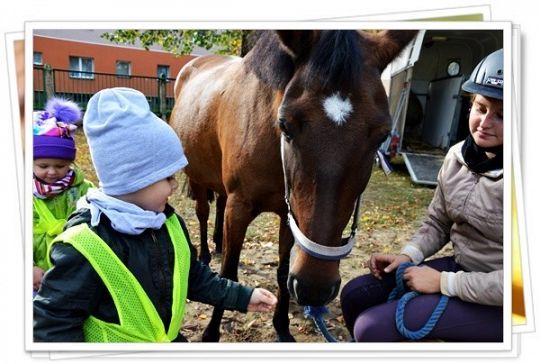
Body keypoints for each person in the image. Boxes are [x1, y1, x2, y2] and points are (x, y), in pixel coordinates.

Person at [33, 87, 278, 342]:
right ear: (134, 179)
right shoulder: (85, 246)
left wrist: (243, 297)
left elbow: (194, 277)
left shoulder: (168, 223)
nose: (174, 186)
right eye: (168, 177)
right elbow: (53, 324)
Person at [340, 48, 504, 342]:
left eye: (501, 115)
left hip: (509, 301)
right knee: (355, 295)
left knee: (371, 327)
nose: (485, 122)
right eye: (480, 108)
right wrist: (408, 256)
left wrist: (444, 283)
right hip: (463, 269)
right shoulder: (458, 156)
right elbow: (438, 222)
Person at [32, 97, 94, 295]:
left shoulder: (82, 190)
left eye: (60, 166)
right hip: (37, 275)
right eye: (43, 166)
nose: (52, 172)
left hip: (75, 272)